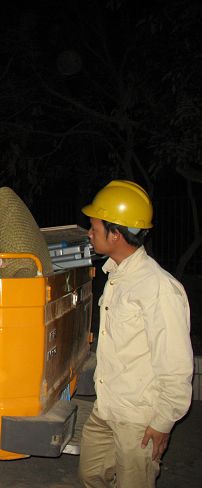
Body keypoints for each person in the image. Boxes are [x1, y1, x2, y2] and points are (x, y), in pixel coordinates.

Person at [78, 180, 194, 488]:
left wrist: (163, 422)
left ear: (115, 234)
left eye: (94, 227)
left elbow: (176, 363)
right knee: (90, 475)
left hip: (139, 419)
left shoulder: (157, 288)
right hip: (108, 407)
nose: (89, 233)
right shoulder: (117, 276)